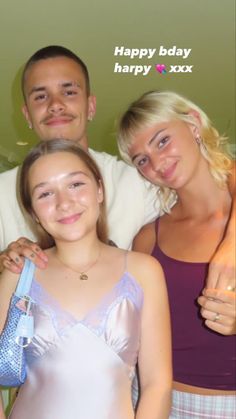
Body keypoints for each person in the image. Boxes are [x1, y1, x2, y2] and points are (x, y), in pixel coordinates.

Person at [0, 46, 235, 300]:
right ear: (27, 114)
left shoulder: (135, 179)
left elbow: (221, 173)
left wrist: (232, 241)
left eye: (69, 92)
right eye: (40, 97)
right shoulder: (2, 192)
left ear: (91, 106)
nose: (56, 105)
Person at [0, 139, 172, 419]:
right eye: (45, 194)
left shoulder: (144, 272)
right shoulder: (18, 275)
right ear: (33, 211)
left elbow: (157, 385)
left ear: (100, 190)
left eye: (76, 184)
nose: (64, 203)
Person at [117, 90, 236, 418]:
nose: (155, 163)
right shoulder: (147, 238)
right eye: (141, 159)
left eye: (161, 140)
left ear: (193, 124)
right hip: (156, 400)